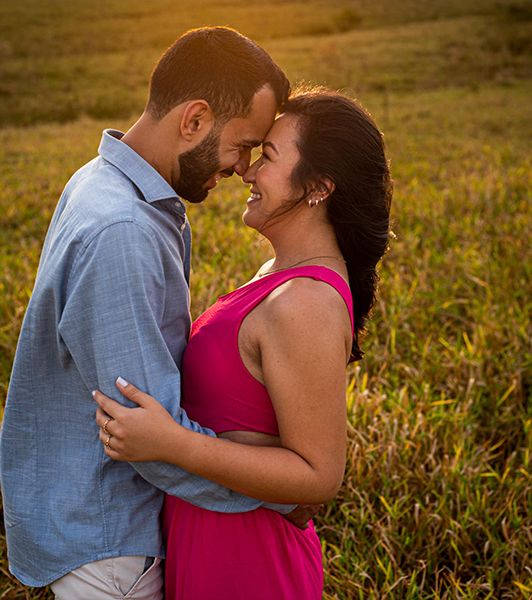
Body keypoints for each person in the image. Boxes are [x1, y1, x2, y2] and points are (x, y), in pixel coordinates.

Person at [0, 27, 312, 600]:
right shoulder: (124, 229)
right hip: (114, 542)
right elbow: (147, 429)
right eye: (242, 144)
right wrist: (286, 493)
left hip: (94, 521)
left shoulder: (101, 183)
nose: (244, 167)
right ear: (193, 120)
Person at [93, 88, 393, 599]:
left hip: (250, 564)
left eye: (269, 157)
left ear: (318, 187)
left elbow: (318, 477)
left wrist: (173, 444)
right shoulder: (281, 275)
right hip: (212, 544)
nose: (248, 173)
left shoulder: (304, 303)